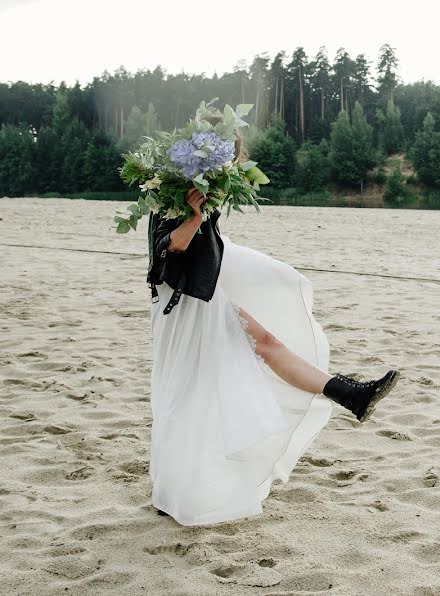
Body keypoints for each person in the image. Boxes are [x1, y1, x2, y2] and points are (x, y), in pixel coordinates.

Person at [145, 126, 399, 526]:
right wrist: (195, 215)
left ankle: (351, 395)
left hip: (206, 296)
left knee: (266, 341)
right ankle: (172, 488)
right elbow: (169, 247)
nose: (228, 164)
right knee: (189, 393)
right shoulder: (170, 192)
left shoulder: (202, 190)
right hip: (183, 306)